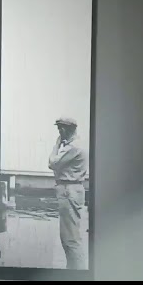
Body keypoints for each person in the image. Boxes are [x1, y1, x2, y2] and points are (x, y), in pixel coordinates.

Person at [48, 116, 89, 270]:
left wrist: (56, 145)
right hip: (72, 189)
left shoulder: (73, 147)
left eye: (59, 128)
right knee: (71, 236)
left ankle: (76, 273)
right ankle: (74, 270)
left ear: (64, 129)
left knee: (70, 239)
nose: (59, 131)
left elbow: (52, 163)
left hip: (68, 190)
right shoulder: (77, 145)